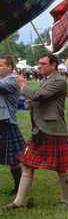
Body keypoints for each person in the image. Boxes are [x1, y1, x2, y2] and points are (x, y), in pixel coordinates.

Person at [3, 53, 68, 209]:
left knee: (61, 168)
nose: (39, 66)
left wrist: (22, 86)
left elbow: (39, 94)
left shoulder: (59, 81)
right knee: (28, 164)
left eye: (43, 64)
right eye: (39, 64)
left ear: (53, 65)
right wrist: (32, 104)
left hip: (53, 129)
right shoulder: (46, 80)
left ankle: (66, 199)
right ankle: (18, 201)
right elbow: (40, 99)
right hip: (39, 129)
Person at [0, 56, 24, 195]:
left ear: (10, 67)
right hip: (2, 120)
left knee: (13, 159)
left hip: (7, 121)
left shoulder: (13, 79)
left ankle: (18, 188)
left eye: (1, 65)